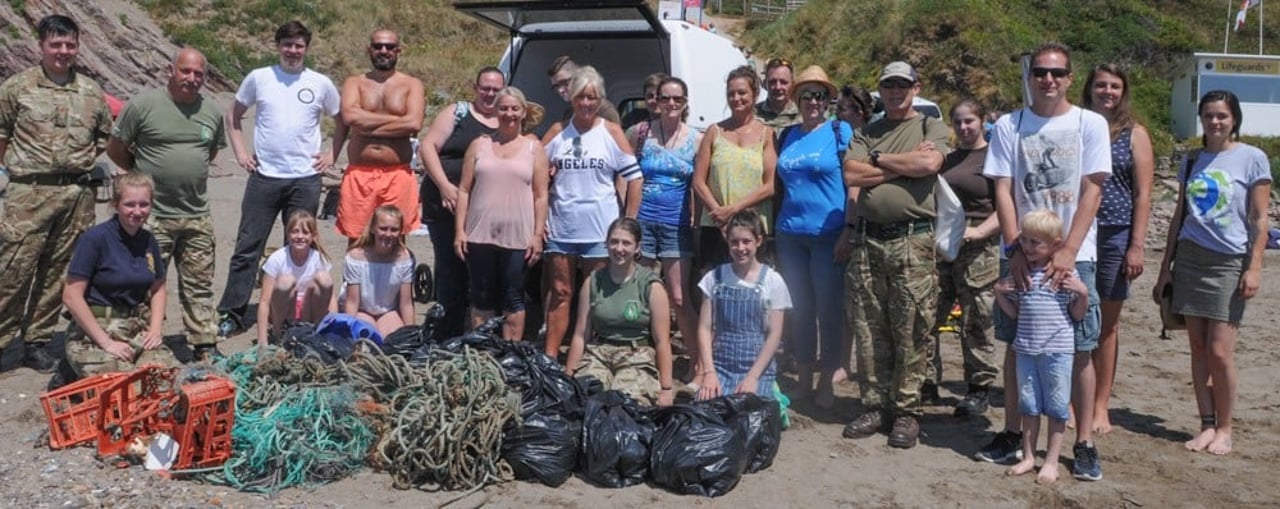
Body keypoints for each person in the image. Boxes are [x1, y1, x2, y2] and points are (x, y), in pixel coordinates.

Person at [978, 43, 1110, 482]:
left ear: (1071, 77)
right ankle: (1014, 432)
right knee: (1018, 344)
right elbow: (1003, 188)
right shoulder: (1008, 125)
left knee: (1080, 349)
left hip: (1077, 253)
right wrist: (1014, 248)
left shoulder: (1090, 123)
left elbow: (1093, 188)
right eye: (1040, 72)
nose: (1048, 80)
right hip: (1020, 253)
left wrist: (1069, 249)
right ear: (1029, 76)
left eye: (1057, 73)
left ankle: (1084, 442)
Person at [1153, 90, 1270, 456]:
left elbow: (1259, 218)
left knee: (1220, 352)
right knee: (1198, 347)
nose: (1215, 121)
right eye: (1208, 115)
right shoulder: (1192, 160)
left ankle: (1225, 427)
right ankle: (1205, 423)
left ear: (1234, 118)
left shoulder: (1252, 158)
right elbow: (1178, 218)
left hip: (1229, 261)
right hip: (1189, 259)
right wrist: (1164, 270)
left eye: (1221, 115)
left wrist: (1254, 267)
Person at [841, 61, 949, 449]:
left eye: (903, 85)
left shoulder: (930, 127)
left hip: (912, 240)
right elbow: (851, 175)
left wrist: (878, 160)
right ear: (880, 90)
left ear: (915, 87)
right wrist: (902, 167)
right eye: (889, 85)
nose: (895, 91)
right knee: (869, 328)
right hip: (868, 241)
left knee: (912, 326)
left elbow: (930, 163)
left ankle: (906, 411)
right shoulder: (864, 131)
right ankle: (874, 404)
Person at [0, 14, 113, 373]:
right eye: (56, 44)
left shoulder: (91, 91)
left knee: (59, 274)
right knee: (12, 270)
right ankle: (2, 342)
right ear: (41, 46)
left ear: (78, 46)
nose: (63, 51)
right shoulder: (17, 87)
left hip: (77, 196)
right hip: (27, 195)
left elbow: (101, 138)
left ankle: (37, 341)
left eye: (70, 44)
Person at [217, 21, 345, 337]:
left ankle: (291, 312)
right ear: (278, 46)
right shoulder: (259, 78)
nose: (292, 51)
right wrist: (242, 153)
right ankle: (232, 312)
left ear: (306, 48)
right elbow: (233, 117)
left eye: (298, 45)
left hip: (305, 178)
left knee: (300, 246)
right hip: (265, 176)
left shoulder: (319, 83)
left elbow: (343, 121)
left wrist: (331, 155)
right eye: (287, 44)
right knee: (249, 244)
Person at [107, 47, 227, 361]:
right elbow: (117, 149)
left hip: (196, 213)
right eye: (185, 71)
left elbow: (210, 153)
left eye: (198, 73)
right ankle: (145, 339)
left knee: (199, 283)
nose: (191, 78)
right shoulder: (143, 105)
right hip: (151, 216)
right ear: (170, 70)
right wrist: (140, 174)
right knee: (144, 281)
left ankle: (204, 343)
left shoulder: (212, 112)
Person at [541, 66, 642, 359]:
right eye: (581, 97)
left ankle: (588, 357)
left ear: (600, 100)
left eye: (593, 98)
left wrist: (629, 222)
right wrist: (538, 218)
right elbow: (531, 170)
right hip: (561, 227)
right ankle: (549, 357)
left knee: (595, 297)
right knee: (560, 292)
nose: (586, 104)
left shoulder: (610, 131)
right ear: (571, 98)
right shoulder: (557, 132)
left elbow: (635, 177)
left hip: (600, 229)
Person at [1081, 64, 1154, 434]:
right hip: (1076, 231)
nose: (1106, 91)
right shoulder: (1076, 124)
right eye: (1100, 85)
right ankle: (1074, 397)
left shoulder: (1134, 134)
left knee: (1106, 327)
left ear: (1122, 92)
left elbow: (1143, 194)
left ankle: (1100, 406)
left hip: (1114, 233)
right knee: (1074, 319)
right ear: (1089, 89)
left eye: (1114, 86)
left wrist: (1137, 246)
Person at [773, 66, 850, 408]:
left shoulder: (840, 131)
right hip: (789, 234)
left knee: (828, 311)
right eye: (806, 95)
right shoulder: (786, 135)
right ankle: (803, 379)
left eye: (820, 95)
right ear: (797, 100)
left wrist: (848, 229)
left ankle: (827, 382)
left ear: (828, 100)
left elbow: (855, 183)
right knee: (800, 309)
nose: (813, 102)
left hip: (827, 234)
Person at [995, 209, 1089, 485]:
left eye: (1036, 242)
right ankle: (1027, 456)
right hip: (1025, 349)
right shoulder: (1023, 273)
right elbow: (1014, 313)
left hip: (1058, 351)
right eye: (1024, 241)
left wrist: (1082, 292)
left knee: (1058, 408)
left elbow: (1078, 314)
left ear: (1055, 245)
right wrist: (1000, 294)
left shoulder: (1063, 274)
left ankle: (1051, 460)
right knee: (1029, 405)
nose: (1027, 247)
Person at [454, 87, 549, 341]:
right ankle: (483, 356)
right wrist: (459, 231)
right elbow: (464, 189)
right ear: (495, 111)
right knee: (480, 297)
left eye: (514, 108)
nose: (509, 114)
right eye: (503, 108)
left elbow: (541, 195)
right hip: (479, 234)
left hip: (519, 236)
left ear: (523, 112)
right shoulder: (480, 145)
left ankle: (511, 354)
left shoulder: (533, 148)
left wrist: (538, 234)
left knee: (513, 298)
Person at [61, 172, 177, 379]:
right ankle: (70, 371)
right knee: (125, 389)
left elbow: (158, 286)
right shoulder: (95, 239)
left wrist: (156, 330)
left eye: (144, 204)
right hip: (96, 330)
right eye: (129, 205)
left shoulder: (148, 239)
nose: (138, 211)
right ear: (115, 204)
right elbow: (71, 296)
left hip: (136, 327)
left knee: (164, 382)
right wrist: (106, 342)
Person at [418, 67, 504, 339]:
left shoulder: (507, 118)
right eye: (485, 88)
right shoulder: (459, 112)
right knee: (449, 270)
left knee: (482, 274)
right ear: (475, 88)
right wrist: (445, 186)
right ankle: (446, 335)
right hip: (445, 206)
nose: (490, 94)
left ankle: (478, 334)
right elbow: (428, 146)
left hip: (483, 210)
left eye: (496, 89)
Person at [929, 99, 1001, 417]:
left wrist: (980, 232)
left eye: (970, 121)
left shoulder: (995, 158)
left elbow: (1007, 208)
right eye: (958, 122)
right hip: (944, 243)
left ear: (983, 121)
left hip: (979, 246)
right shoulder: (948, 159)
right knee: (931, 315)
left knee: (975, 320)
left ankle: (978, 388)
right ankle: (928, 381)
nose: (964, 128)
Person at [628, 76, 701, 381]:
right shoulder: (640, 133)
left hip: (677, 224)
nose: (671, 104)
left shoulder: (696, 139)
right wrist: (627, 219)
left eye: (678, 99)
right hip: (643, 222)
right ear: (654, 100)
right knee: (643, 293)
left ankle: (699, 362)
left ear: (685, 103)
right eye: (665, 98)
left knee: (679, 297)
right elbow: (627, 175)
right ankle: (646, 359)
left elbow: (699, 183)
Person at [565, 218, 675, 406]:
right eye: (614, 242)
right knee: (586, 398)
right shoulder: (593, 282)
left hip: (636, 355)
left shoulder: (651, 285)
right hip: (599, 353)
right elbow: (580, 336)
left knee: (625, 405)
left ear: (637, 247)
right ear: (606, 244)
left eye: (626, 243)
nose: (619, 248)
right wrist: (568, 378)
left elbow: (662, 341)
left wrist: (666, 389)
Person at [336, 30, 426, 243]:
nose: (383, 51)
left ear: (398, 51)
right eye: (378, 46)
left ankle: (397, 277)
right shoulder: (354, 83)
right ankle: (357, 277)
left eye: (389, 47)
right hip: (360, 174)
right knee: (357, 238)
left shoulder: (412, 84)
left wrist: (366, 125)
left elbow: (414, 123)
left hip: (397, 173)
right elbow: (349, 117)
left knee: (395, 238)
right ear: (370, 49)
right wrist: (398, 122)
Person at [695, 210, 791, 400]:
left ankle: (774, 393)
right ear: (727, 242)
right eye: (734, 242)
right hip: (720, 365)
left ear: (759, 240)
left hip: (757, 368)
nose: (740, 248)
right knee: (707, 416)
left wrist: (753, 377)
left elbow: (775, 334)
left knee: (749, 417)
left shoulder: (773, 280)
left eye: (746, 241)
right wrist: (709, 373)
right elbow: (704, 329)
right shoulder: (714, 277)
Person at [692, 65, 776, 270]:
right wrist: (719, 215)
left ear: (755, 94)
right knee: (715, 289)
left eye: (742, 92)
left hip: (753, 227)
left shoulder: (767, 134)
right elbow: (698, 181)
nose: (736, 98)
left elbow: (770, 186)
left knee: (753, 289)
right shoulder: (714, 132)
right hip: (716, 226)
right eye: (731, 94)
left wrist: (732, 211)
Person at [256, 210, 335, 347]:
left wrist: (334, 330)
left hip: (309, 309)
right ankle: (278, 335)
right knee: (286, 281)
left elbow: (331, 298)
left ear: (313, 236)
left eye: (305, 232)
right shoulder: (277, 259)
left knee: (325, 279)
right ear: (288, 234)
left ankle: (317, 333)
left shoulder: (318, 259)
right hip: (284, 309)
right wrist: (262, 341)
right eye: (295, 231)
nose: (300, 236)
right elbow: (264, 301)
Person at [344, 205, 415, 337]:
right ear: (372, 229)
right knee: (367, 339)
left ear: (400, 232)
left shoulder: (405, 259)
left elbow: (406, 303)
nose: (388, 234)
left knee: (393, 341)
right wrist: (348, 332)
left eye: (394, 230)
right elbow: (352, 302)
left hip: (388, 311)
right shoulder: (355, 257)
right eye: (383, 229)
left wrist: (411, 335)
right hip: (362, 310)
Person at [545, 56, 620, 127]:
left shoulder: (603, 110)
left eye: (564, 82)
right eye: (556, 86)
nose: (560, 90)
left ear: (578, 78)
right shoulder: (569, 113)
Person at [755, 58, 798, 130]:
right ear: (765, 84)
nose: (778, 87)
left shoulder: (803, 115)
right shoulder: (752, 115)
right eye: (773, 82)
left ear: (793, 85)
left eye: (783, 82)